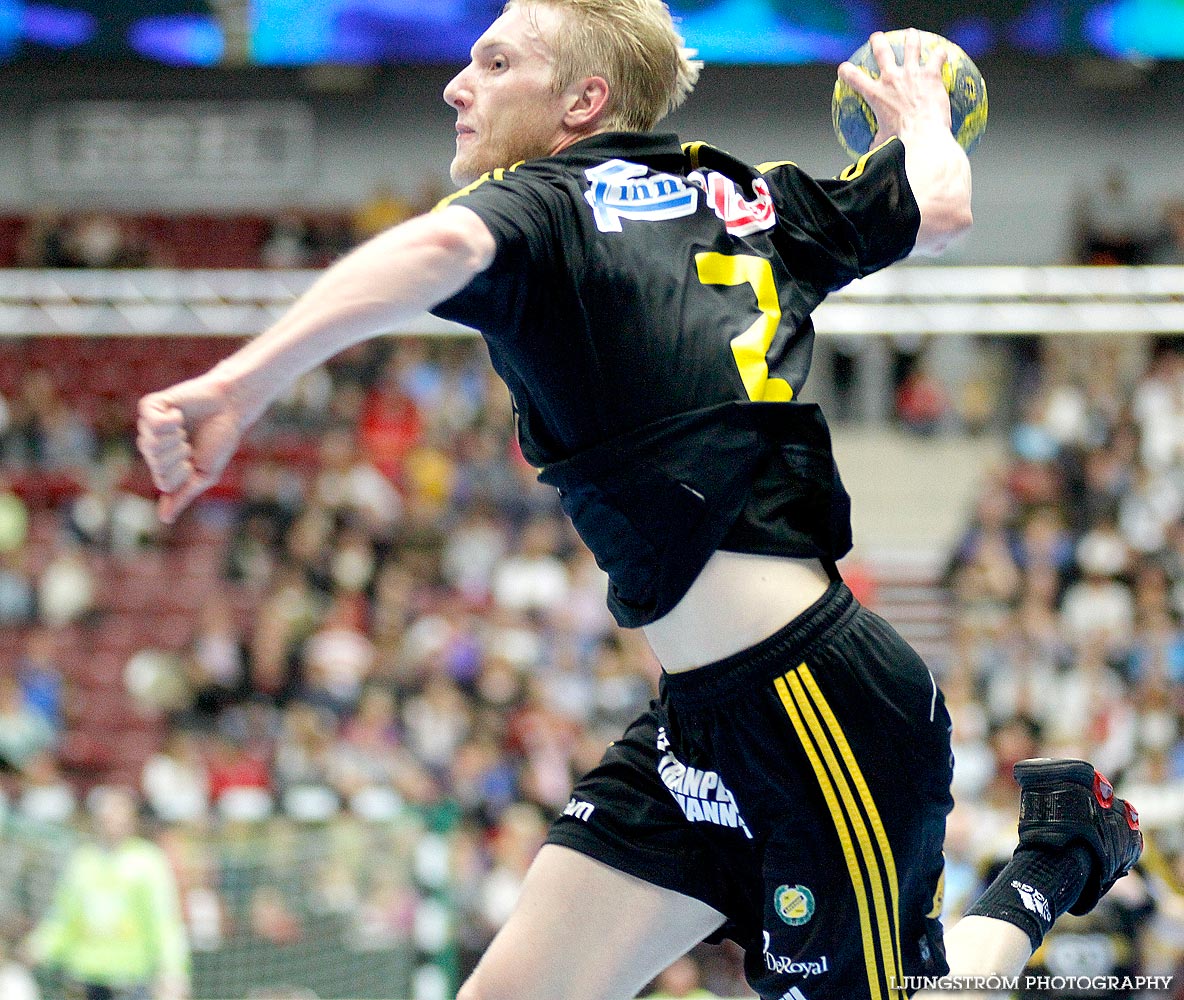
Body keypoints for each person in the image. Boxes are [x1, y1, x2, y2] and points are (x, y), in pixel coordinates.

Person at [136, 3, 1142, 998]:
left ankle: (1048, 864)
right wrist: (918, 122)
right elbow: (937, 205)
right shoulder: (743, 195)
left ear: (583, 98)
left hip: (817, 707)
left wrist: (240, 384)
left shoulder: (547, 201)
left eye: (492, 63)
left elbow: (437, 253)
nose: (456, 84)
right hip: (699, 722)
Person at [24, 787, 191, 1000]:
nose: (111, 818)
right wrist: (37, 948)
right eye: (106, 812)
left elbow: (164, 921)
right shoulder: (82, 861)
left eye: (118, 811)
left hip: (131, 980)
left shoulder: (147, 861)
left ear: (132, 818)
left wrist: (173, 971)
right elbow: (63, 919)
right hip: (84, 979)